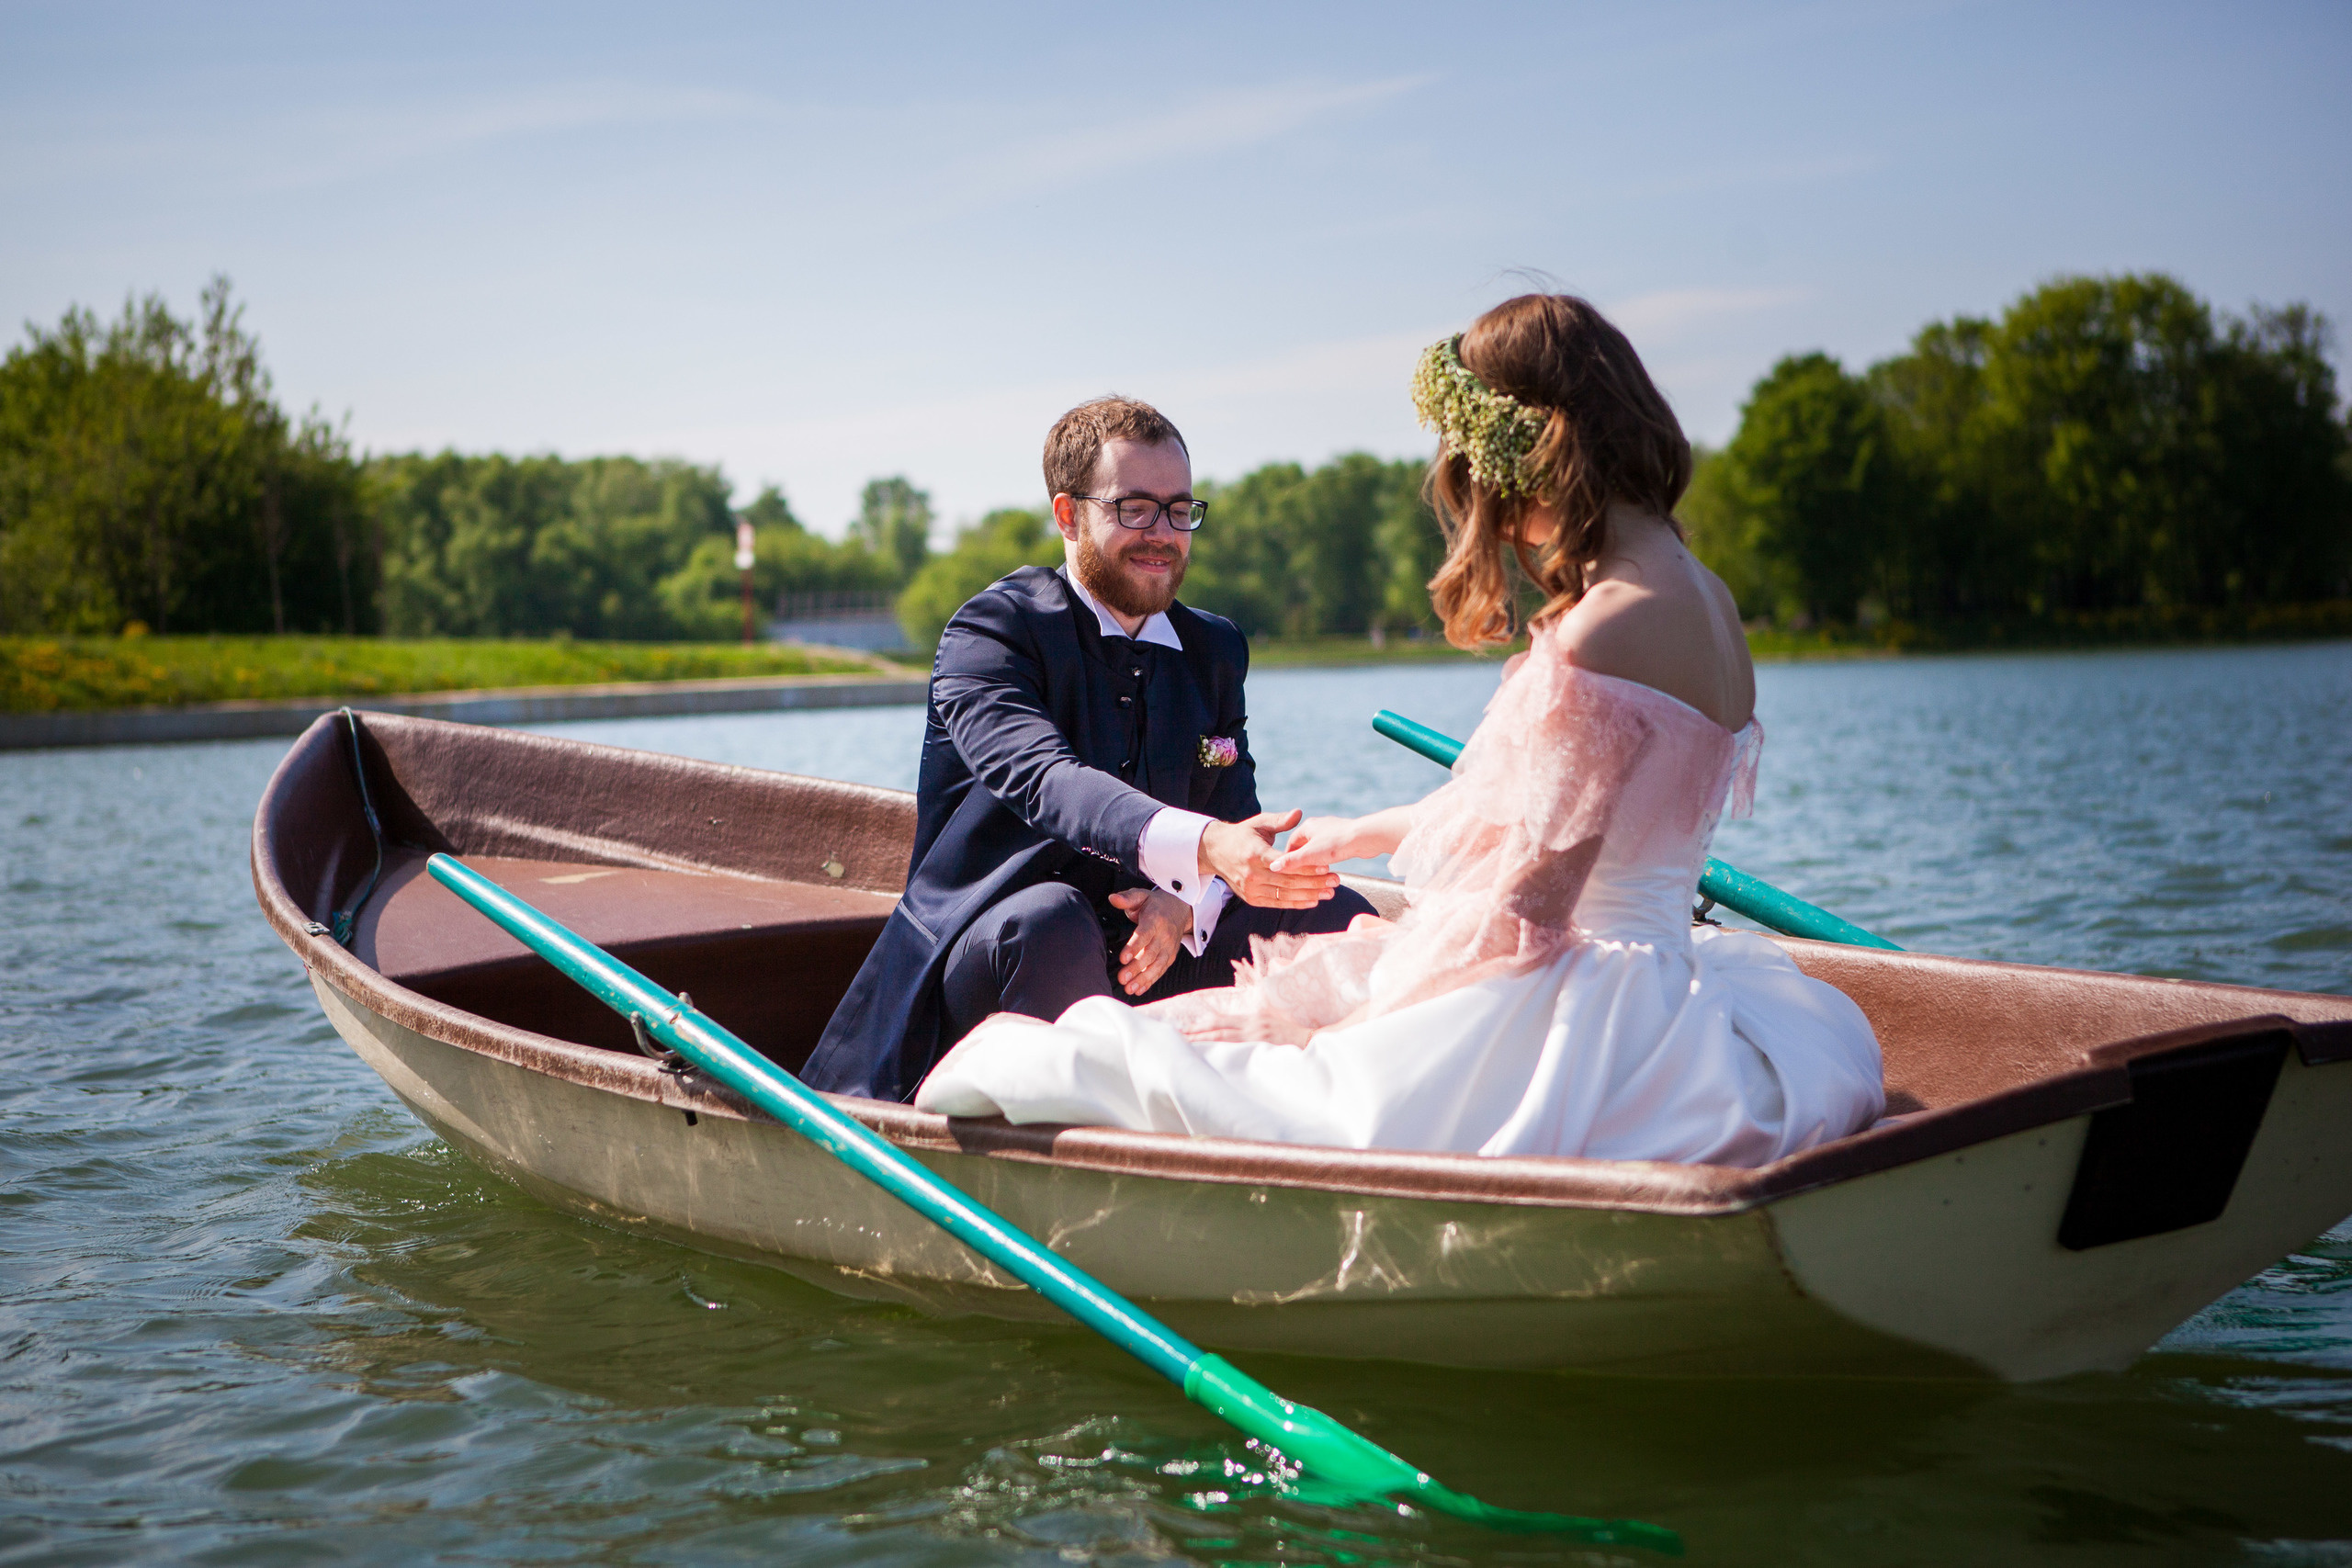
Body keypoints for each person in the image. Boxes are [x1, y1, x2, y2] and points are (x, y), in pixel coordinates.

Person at [913, 296, 1885, 1166]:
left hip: (1579, 1002)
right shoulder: (1702, 596)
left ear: (1512, 449)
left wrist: (1370, 992)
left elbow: (1535, 902)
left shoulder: (1600, 624)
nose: (1466, 491)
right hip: (1662, 976)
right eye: (1136, 508)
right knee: (1276, 982)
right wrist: (1356, 836)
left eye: (1178, 509)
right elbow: (1572, 810)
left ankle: (1086, 1146)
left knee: (1225, 1051)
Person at [799, 396, 1375, 1102]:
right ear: (1068, 515)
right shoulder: (993, 633)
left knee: (1333, 911)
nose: (1163, 533)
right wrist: (1201, 850)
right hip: (1005, 951)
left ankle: (1333, 1123)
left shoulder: (1215, 648)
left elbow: (1236, 816)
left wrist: (1188, 898)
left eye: (1178, 509)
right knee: (1053, 920)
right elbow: (1050, 780)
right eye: (1134, 508)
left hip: (1153, 948)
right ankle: (1068, 1154)